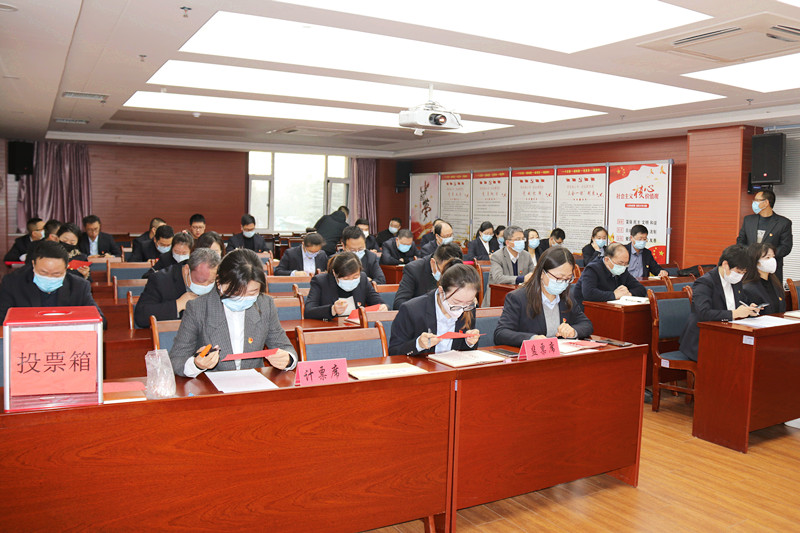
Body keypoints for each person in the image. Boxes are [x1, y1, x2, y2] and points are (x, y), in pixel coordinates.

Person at [169, 249, 297, 377]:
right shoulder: (198, 308)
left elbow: (285, 346)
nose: (242, 299)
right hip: (211, 384)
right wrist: (196, 364)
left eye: (252, 293)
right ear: (219, 283)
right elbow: (177, 359)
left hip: (252, 381)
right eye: (235, 293)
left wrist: (287, 359)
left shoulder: (265, 304)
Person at [494, 246, 592, 346]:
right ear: (542, 273)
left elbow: (586, 324)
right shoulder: (518, 298)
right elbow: (501, 333)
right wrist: (531, 338)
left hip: (561, 352)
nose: (563, 283)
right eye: (559, 278)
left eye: (568, 279)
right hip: (533, 353)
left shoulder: (566, 297)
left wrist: (573, 331)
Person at [679, 245, 760, 361]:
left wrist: (748, 309)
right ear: (725, 264)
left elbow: (741, 302)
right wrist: (734, 314)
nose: (740, 276)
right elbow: (703, 313)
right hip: (702, 340)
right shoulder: (704, 282)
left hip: (727, 335)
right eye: (738, 272)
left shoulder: (735, 281)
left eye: (743, 273)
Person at [0, 240, 106, 327]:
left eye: (56, 274)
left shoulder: (79, 286)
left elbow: (100, 322)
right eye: (43, 272)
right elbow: (2, 319)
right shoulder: (12, 283)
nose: (49, 277)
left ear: (66, 268)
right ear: (33, 264)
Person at [389, 263, 482, 356]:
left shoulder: (468, 309)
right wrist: (418, 344)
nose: (461, 309)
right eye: (456, 302)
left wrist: (469, 343)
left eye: (468, 302)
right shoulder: (412, 310)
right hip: (422, 364)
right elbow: (394, 352)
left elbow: (464, 351)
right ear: (441, 291)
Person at [134, 248, 221, 328]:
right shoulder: (161, 280)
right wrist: (178, 305)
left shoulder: (220, 282)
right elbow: (141, 316)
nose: (206, 286)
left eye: (211, 281)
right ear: (187, 270)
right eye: (201, 281)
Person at [304, 252, 386, 320]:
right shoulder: (321, 281)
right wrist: (332, 310)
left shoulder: (363, 279)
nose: (351, 281)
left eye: (355, 277)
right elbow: (308, 311)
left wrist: (383, 307)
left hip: (358, 329)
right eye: (346, 278)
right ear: (334, 273)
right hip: (331, 329)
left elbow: (379, 303)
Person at [737, 189, 793, 282]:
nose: (753, 203)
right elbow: (740, 242)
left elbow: (785, 247)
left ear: (766, 203)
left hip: (771, 272)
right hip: (750, 269)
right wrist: (753, 253)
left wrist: (766, 256)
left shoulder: (783, 223)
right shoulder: (748, 220)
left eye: (756, 200)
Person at [573, 242, 646, 304]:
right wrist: (614, 295)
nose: (623, 266)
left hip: (610, 308)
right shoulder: (592, 269)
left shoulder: (623, 270)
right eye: (620, 263)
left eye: (626, 263)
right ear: (607, 260)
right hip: (586, 310)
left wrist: (627, 294)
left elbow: (641, 289)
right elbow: (589, 293)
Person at [394, 243, 463, 310]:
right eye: (444, 272)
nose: (447, 278)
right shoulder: (414, 270)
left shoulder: (461, 271)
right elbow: (399, 304)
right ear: (433, 263)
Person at [483, 226, 535, 307]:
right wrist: (521, 279)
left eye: (522, 239)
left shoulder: (526, 255)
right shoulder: (497, 256)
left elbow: (533, 273)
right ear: (508, 243)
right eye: (518, 239)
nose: (521, 242)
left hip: (521, 298)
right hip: (498, 299)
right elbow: (498, 278)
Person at [742, 243, 786, 314]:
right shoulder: (748, 288)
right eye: (767, 257)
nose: (772, 260)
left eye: (773, 257)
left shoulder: (775, 283)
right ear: (756, 261)